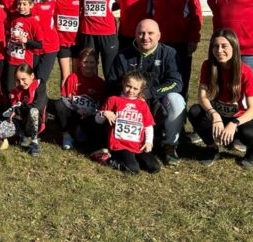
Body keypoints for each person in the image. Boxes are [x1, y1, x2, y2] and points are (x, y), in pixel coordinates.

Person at [106, 19, 184, 166]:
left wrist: (149, 93)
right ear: (135, 35)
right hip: (129, 104)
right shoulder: (123, 55)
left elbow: (176, 82)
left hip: (157, 98)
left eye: (150, 33)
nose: (145, 37)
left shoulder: (169, 53)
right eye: (141, 33)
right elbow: (112, 84)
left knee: (177, 101)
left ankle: (169, 146)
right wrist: (130, 100)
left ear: (159, 35)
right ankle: (122, 142)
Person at [188, 29, 253, 169]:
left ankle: (252, 154)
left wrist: (234, 123)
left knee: (252, 133)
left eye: (224, 46)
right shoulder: (208, 66)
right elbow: (202, 96)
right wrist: (214, 114)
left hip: (239, 117)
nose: (219, 50)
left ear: (234, 47)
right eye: (215, 46)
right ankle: (211, 148)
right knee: (194, 111)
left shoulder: (245, 71)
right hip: (219, 115)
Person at [149, 0, 202, 101]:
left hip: (181, 42)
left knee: (181, 77)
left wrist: (194, 39)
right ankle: (159, 114)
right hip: (160, 42)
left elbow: (196, 15)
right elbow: (150, 13)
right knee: (159, 76)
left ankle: (180, 116)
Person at [96, 71, 160, 175]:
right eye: (128, 86)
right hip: (120, 145)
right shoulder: (113, 100)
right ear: (123, 83)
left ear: (141, 90)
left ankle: (133, 160)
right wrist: (104, 113)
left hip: (138, 145)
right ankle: (106, 159)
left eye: (135, 88)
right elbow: (97, 120)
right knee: (133, 170)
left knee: (154, 168)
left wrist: (149, 142)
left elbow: (148, 125)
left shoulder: (142, 105)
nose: (131, 90)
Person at [52, 48, 105, 151]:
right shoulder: (72, 77)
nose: (88, 65)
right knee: (58, 104)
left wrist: (91, 112)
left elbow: (101, 104)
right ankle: (66, 135)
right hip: (73, 112)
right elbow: (64, 98)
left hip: (89, 116)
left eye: (91, 62)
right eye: (85, 62)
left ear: (97, 63)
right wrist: (76, 109)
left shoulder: (100, 83)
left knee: (84, 142)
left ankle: (80, 132)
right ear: (80, 63)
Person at [79, 0, 119, 78]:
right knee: (89, 71)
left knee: (110, 71)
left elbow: (124, 4)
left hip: (107, 33)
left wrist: (117, 16)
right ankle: (91, 97)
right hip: (88, 33)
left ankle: (110, 97)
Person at [0, 63, 45, 156]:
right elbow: (11, 109)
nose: (21, 83)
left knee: (33, 111)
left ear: (32, 76)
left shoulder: (40, 86)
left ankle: (34, 142)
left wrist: (17, 109)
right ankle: (21, 136)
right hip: (20, 122)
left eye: (23, 79)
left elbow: (37, 106)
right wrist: (12, 111)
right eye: (18, 80)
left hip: (34, 123)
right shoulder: (15, 91)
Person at [5, 0, 42, 92]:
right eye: (19, 4)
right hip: (11, 59)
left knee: (24, 88)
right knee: (10, 88)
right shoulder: (14, 17)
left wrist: (27, 40)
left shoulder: (33, 22)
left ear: (31, 5)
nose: (21, 7)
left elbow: (39, 44)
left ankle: (27, 106)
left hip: (24, 61)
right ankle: (12, 107)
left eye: (24, 4)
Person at [28, 0, 58, 86]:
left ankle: (40, 104)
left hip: (50, 45)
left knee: (41, 79)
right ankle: (31, 102)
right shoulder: (26, 0)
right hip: (33, 46)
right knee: (32, 78)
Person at [53, 0, 80, 89]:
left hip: (77, 41)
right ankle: (64, 102)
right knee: (65, 76)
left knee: (77, 75)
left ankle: (76, 100)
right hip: (62, 41)